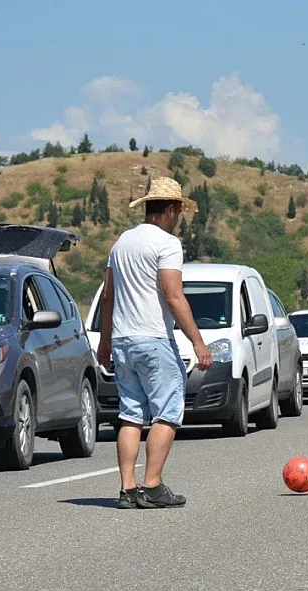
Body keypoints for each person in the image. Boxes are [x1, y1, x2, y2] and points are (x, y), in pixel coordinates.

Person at [97, 177, 212, 509]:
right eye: (178, 213)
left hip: (122, 339)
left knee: (130, 414)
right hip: (153, 338)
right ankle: (153, 485)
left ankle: (127, 489)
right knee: (168, 411)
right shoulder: (166, 243)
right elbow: (174, 296)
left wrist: (106, 341)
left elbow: (108, 296)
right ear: (172, 209)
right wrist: (198, 342)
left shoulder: (121, 243)